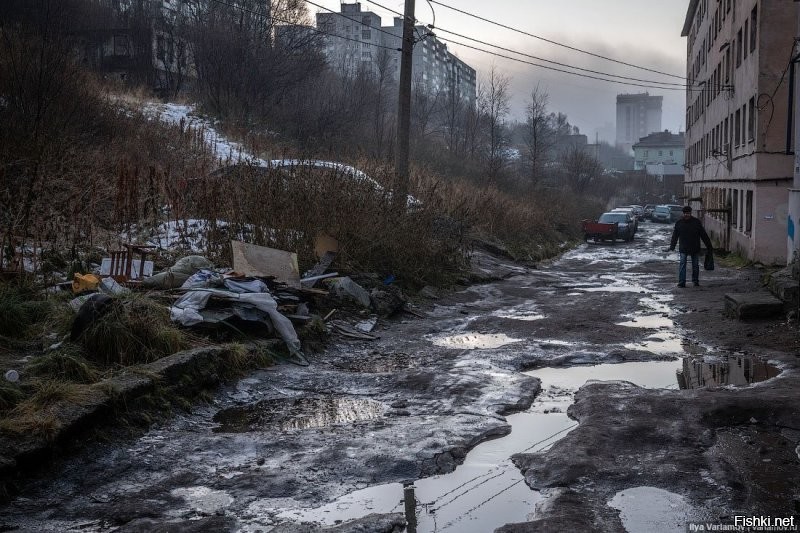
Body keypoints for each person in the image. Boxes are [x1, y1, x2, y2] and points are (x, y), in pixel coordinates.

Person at [668, 205, 713, 287]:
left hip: (694, 247)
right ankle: (682, 282)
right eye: (685, 213)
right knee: (682, 265)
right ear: (683, 213)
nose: (686, 215)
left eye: (688, 213)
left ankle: (695, 281)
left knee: (695, 265)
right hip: (683, 247)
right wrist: (672, 246)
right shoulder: (679, 223)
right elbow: (675, 236)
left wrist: (709, 246)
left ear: (690, 213)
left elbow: (703, 235)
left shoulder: (696, 222)